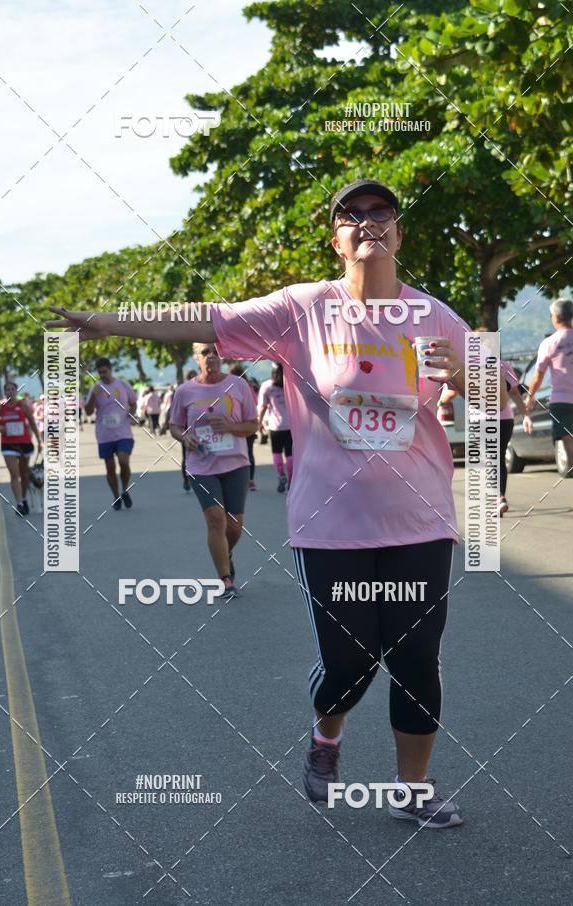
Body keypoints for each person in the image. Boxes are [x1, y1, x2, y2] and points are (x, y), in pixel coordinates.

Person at [47, 177, 508, 828]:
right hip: (330, 527)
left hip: (420, 520)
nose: (369, 221)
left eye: (382, 213)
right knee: (351, 666)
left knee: (414, 656)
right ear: (336, 239)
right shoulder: (303, 310)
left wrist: (461, 374)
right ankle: (327, 738)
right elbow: (201, 319)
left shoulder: (434, 316)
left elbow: (503, 400)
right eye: (353, 215)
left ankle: (414, 788)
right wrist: (100, 321)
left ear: (399, 233)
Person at [169, 345, 258, 597]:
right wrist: (185, 438)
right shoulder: (185, 391)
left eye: (215, 351)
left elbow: (253, 425)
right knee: (216, 519)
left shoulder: (239, 386)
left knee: (235, 525)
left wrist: (231, 427)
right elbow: (174, 427)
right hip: (201, 465)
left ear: (223, 356)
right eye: (205, 352)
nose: (211, 356)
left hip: (236, 464)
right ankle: (225, 578)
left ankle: (225, 552)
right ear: (197, 358)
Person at [441, 329, 533, 515]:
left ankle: (499, 498)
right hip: (505, 419)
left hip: (481, 420)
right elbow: (515, 393)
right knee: (497, 457)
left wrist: (441, 401)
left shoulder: (469, 366)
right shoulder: (504, 366)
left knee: (490, 458)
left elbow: (454, 392)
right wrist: (525, 416)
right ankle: (499, 496)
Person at [525, 297, 573, 476]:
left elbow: (538, 375)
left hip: (562, 399)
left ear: (556, 318)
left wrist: (530, 395)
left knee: (568, 437)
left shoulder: (549, 343)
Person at [84, 358, 137, 509]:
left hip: (123, 433)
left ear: (110, 369)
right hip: (104, 434)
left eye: (105, 372)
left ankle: (125, 490)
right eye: (100, 373)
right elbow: (88, 413)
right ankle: (116, 496)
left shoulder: (123, 385)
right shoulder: (96, 388)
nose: (102, 375)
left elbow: (133, 403)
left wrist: (132, 416)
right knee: (110, 467)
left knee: (123, 461)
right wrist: (94, 396)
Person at [0, 380, 42, 515]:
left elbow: (32, 423)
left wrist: (39, 441)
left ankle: (24, 499)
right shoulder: (0, 408)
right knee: (14, 474)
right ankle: (19, 503)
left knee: (24, 475)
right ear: (4, 392)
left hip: (24, 443)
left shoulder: (23, 405)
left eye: (12, 389)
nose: (10, 392)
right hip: (8, 444)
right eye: (7, 389)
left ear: (16, 391)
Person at [258, 363, 292, 492]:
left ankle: (281, 474)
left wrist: (259, 423)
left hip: (274, 426)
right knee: (290, 454)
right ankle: (291, 478)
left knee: (276, 452)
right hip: (290, 426)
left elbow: (262, 407)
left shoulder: (266, 386)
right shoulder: (290, 384)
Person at [229, 363, 259, 490]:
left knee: (235, 452)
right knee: (249, 453)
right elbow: (255, 403)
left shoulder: (229, 388)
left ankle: (235, 479)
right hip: (248, 424)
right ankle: (250, 480)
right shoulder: (249, 387)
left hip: (235, 426)